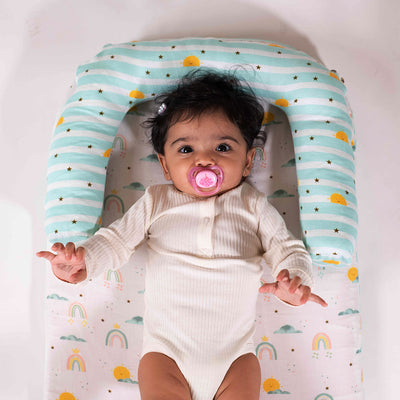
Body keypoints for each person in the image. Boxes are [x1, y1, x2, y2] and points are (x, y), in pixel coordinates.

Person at [37, 70, 327, 400]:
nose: (205, 160)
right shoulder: (156, 201)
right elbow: (116, 241)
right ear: (165, 165)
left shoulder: (254, 206)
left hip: (235, 357)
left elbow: (288, 249)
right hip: (166, 354)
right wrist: (84, 260)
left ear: (248, 162)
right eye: (186, 149)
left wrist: (295, 281)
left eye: (222, 147)